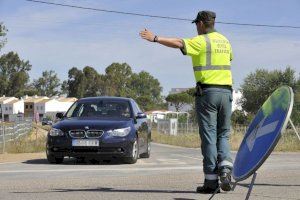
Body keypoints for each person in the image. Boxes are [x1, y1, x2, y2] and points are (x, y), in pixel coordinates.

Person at [140, 10, 233, 194]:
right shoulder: (225, 41)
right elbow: (228, 59)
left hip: (208, 93)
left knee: (209, 137)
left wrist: (155, 38)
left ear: (200, 24)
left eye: (196, 25)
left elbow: (179, 43)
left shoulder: (201, 41)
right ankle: (225, 170)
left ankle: (211, 182)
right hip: (227, 93)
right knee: (223, 134)